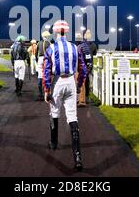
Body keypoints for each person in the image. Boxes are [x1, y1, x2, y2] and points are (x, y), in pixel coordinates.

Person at [43, 20, 87, 171]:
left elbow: (46, 71)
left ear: (55, 32)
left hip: (57, 82)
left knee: (54, 113)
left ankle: (53, 143)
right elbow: (84, 70)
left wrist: (46, 90)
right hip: (70, 82)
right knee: (72, 117)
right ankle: (78, 158)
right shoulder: (75, 47)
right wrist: (79, 85)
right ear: (66, 32)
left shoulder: (51, 48)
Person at [77, 29, 96, 106]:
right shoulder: (93, 45)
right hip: (89, 65)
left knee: (81, 81)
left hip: (81, 66)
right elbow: (94, 53)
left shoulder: (82, 45)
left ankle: (81, 98)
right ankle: (86, 97)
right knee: (87, 81)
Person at [36, 31, 51, 101]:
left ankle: (40, 93)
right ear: (47, 36)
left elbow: (36, 53)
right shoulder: (48, 43)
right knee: (47, 75)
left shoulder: (38, 43)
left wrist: (37, 61)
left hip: (40, 59)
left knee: (40, 76)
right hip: (46, 59)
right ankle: (47, 92)